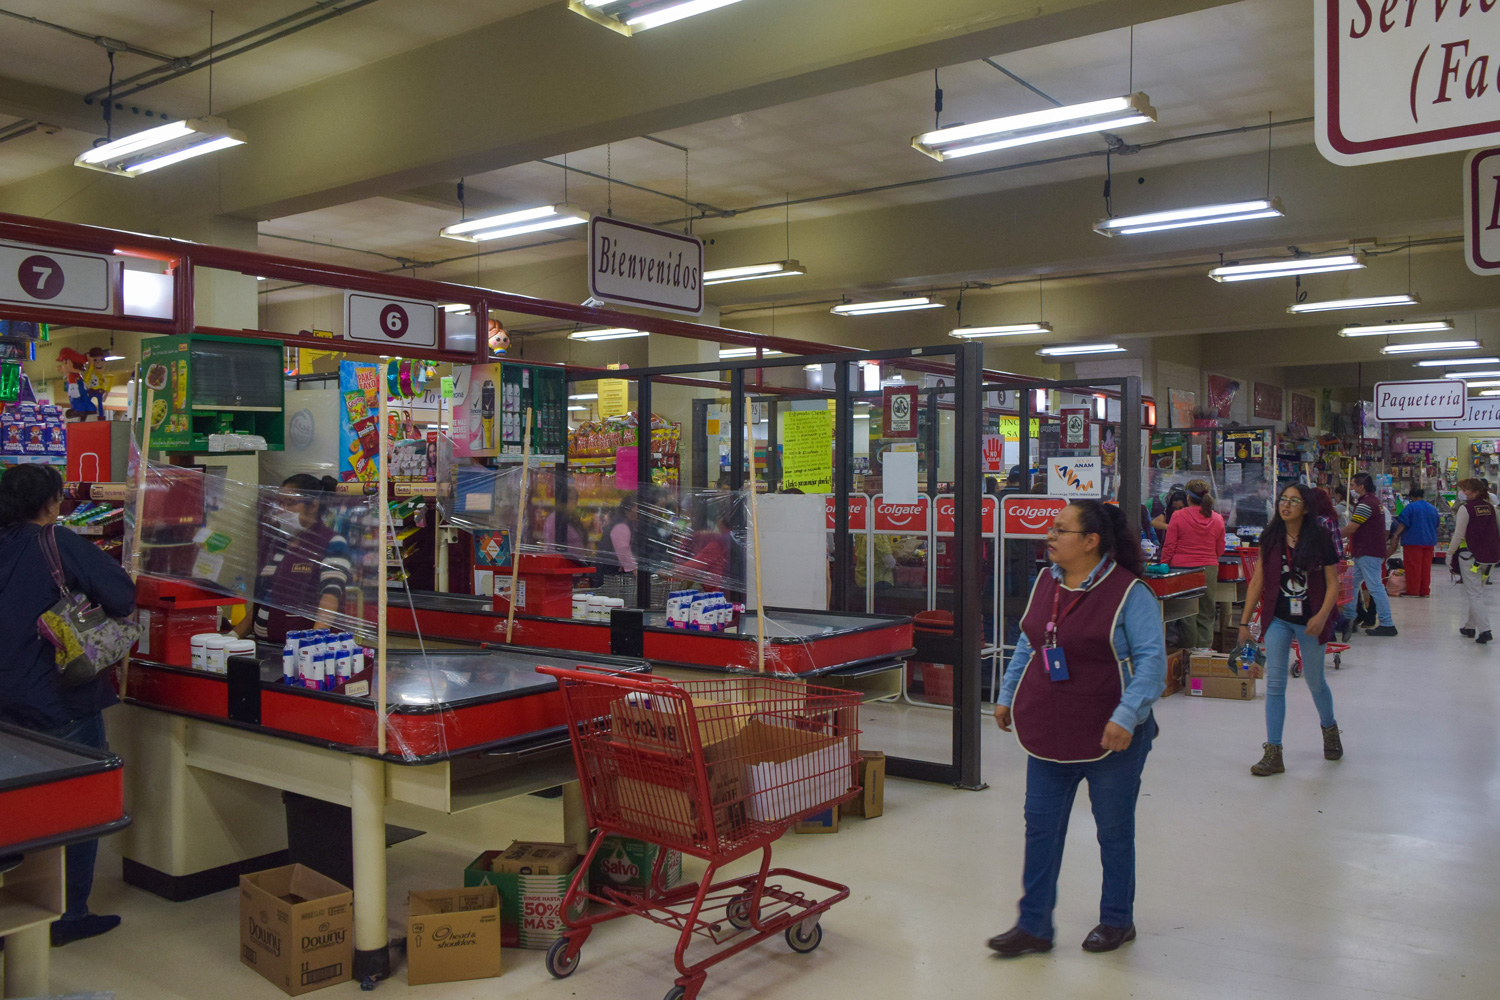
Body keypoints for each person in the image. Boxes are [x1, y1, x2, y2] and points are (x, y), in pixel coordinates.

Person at [989, 500, 1165, 957]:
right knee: (1041, 829)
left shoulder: (1130, 593)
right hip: (1050, 728)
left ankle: (1116, 920)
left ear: (1090, 542)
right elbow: (1031, 645)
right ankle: (1033, 926)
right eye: (1051, 527)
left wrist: (1125, 718)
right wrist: (1007, 695)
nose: (1049, 535)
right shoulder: (1045, 583)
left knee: (1113, 830)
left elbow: (1151, 666)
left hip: (1113, 736)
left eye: (1060, 529)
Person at [0, 463, 134, 945]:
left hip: (5, 705)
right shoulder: (57, 543)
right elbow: (121, 594)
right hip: (57, 697)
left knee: (15, 807)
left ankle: (14, 904)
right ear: (52, 503)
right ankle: (69, 913)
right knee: (76, 805)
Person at [1238, 483, 1344, 776]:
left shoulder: (1320, 537)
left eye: (1293, 501)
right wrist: (1245, 623)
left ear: (1306, 508)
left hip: (1311, 621)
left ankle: (1329, 728)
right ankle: (1273, 752)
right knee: (1274, 684)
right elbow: (1257, 581)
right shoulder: (1271, 537)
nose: (1285, 505)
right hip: (1278, 619)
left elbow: (1333, 582)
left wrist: (1323, 616)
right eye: (1283, 500)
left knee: (1315, 681)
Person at [233, 474, 352, 644]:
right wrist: (234, 636)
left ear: (313, 506)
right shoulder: (281, 543)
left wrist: (314, 643)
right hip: (268, 646)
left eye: (290, 503)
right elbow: (264, 598)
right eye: (280, 503)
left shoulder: (331, 542)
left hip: (301, 651)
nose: (282, 509)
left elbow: (330, 597)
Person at [1161, 478, 1226, 648]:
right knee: (1206, 611)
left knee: (1187, 612)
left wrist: (1164, 565)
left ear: (1188, 498)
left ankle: (1189, 652)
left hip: (1182, 569)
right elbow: (1220, 548)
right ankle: (1204, 653)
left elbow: (1169, 545)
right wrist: (1210, 558)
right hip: (1209, 569)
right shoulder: (1217, 519)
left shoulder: (1178, 516)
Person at [1341, 473, 1397, 636]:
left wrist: (1332, 535)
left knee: (1375, 587)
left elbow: (1352, 527)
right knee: (1349, 583)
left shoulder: (1366, 504)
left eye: (1352, 485)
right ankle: (1350, 618)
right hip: (1366, 551)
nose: (1350, 489)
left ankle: (1387, 623)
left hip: (1368, 552)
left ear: (1361, 486)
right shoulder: (1374, 502)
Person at [1447, 479, 1500, 644]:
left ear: (1475, 491)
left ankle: (1485, 630)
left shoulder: (1466, 509)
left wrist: (1449, 553)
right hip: (1489, 557)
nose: (1462, 492)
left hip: (1470, 557)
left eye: (1465, 489)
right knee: (1476, 592)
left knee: (1474, 594)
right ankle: (1470, 626)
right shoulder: (1490, 508)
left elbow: (1459, 535)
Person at [1388, 488, 1440, 598]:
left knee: (1413, 567)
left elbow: (1403, 524)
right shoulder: (1432, 508)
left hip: (1413, 541)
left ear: (1412, 497)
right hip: (1429, 541)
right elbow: (1437, 524)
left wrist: (1396, 534)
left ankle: (1413, 591)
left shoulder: (1411, 507)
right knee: (1426, 568)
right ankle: (1425, 591)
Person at [541, 483, 587, 554]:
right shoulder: (554, 520)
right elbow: (555, 548)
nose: (574, 502)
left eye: (575, 499)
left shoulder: (572, 517)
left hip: (576, 562)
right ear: (562, 501)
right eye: (570, 498)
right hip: (562, 562)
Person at [599, 494, 639, 575]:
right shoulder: (621, 526)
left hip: (611, 573)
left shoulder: (628, 523)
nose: (639, 511)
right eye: (637, 507)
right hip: (607, 576)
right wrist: (636, 572)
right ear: (627, 509)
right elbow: (624, 551)